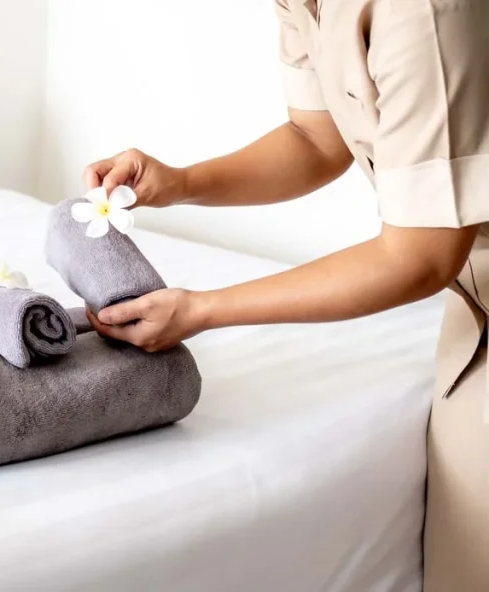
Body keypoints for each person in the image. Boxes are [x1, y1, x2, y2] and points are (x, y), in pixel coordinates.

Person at [82, 1, 488, 589]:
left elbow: (419, 257)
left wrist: (203, 309)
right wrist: (180, 183)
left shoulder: (418, 10)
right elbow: (315, 139)